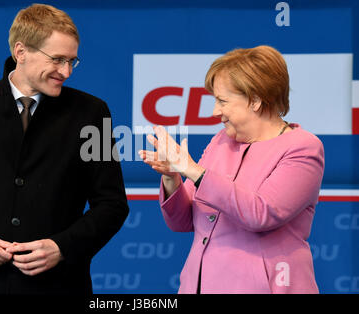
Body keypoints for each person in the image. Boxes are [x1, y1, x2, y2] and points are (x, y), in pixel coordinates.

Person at [0, 4, 129, 294]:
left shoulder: (91, 113)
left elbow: (112, 204)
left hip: (60, 287)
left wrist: (61, 247)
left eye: (72, 61)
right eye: (57, 59)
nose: (66, 71)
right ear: (21, 51)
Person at [139, 45, 324, 294]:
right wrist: (172, 177)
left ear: (255, 100)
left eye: (222, 101)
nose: (215, 111)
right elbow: (182, 222)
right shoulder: (220, 141)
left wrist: (193, 170)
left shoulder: (303, 148)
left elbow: (261, 214)